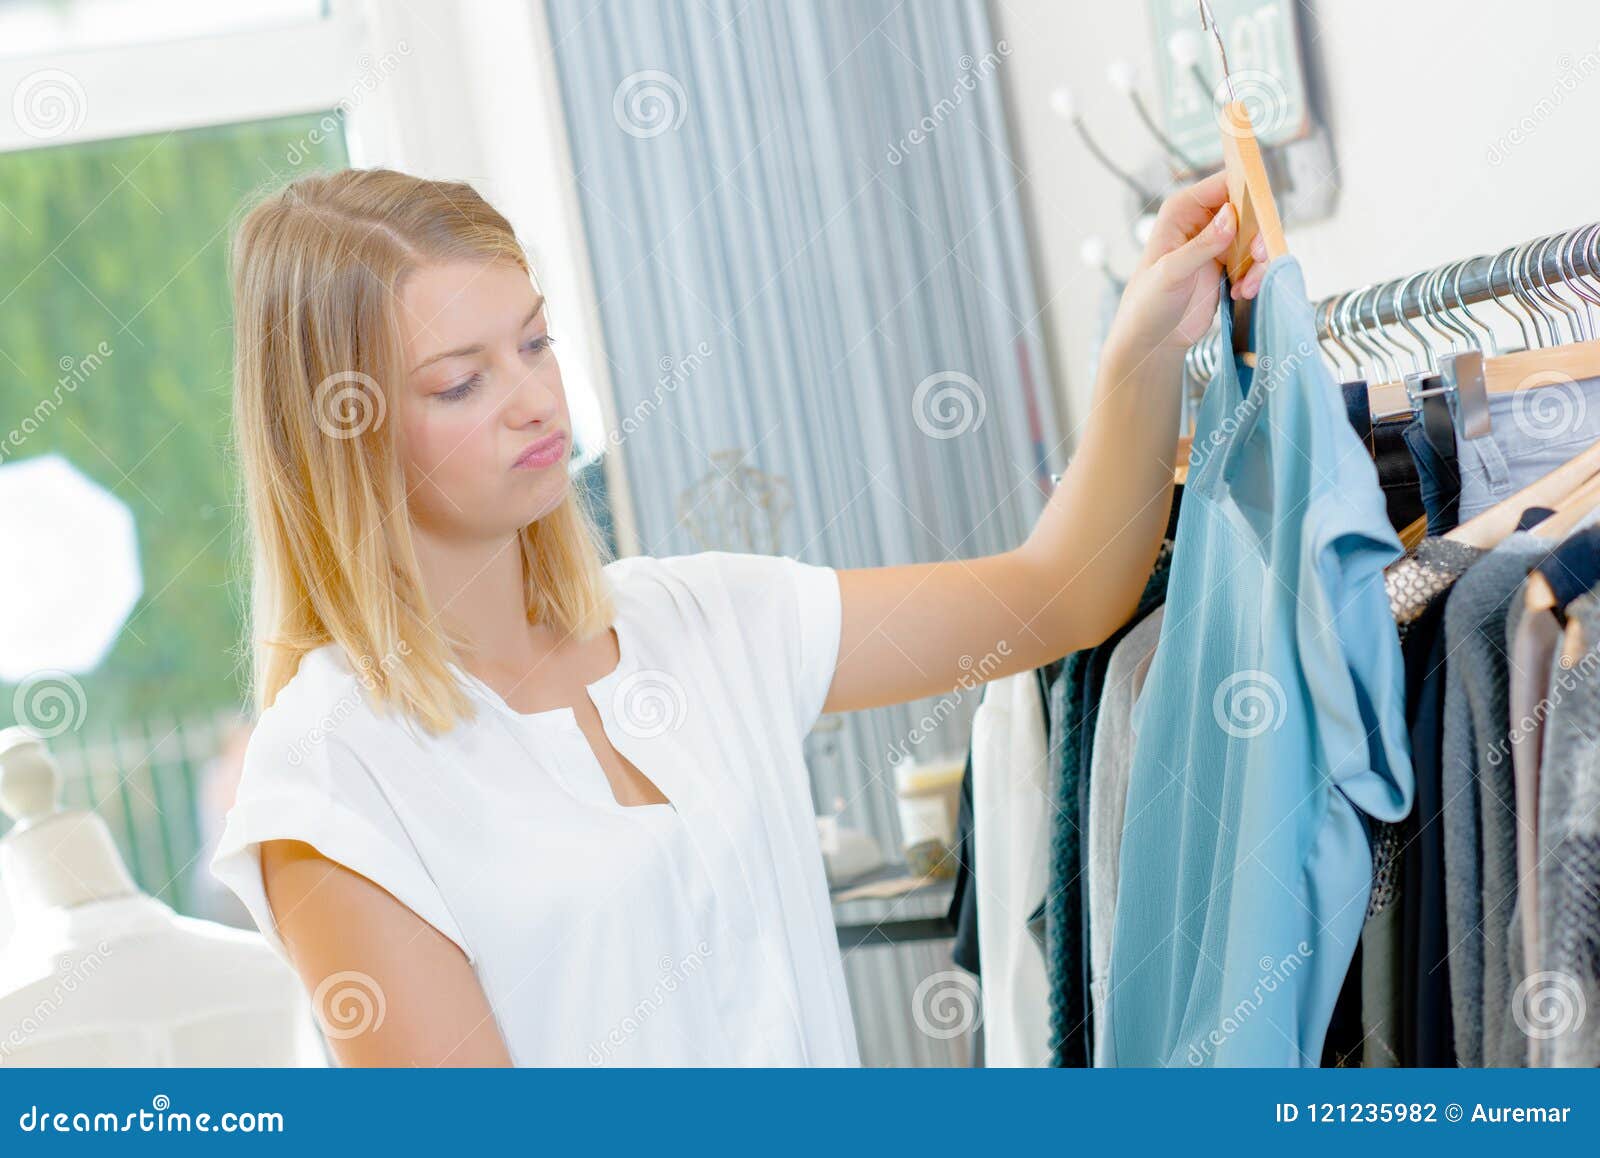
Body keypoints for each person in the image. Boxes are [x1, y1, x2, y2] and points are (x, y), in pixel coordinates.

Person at [212, 166, 1268, 1066]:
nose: (534, 400)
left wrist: (1143, 349)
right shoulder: (332, 773)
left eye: (534, 344)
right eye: (459, 383)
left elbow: (1059, 598)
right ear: (342, 434)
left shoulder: (702, 619)